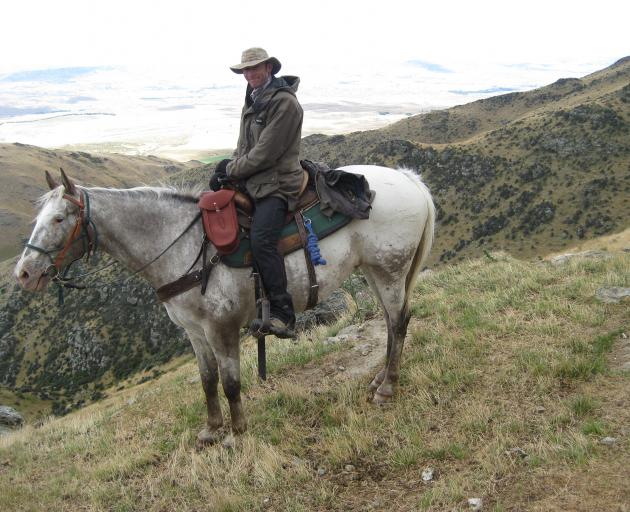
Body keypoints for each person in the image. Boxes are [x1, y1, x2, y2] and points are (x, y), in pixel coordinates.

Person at [210, 47, 303, 338]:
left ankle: (283, 313)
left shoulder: (284, 103)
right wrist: (228, 168)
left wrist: (232, 170)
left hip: (278, 183)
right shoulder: (253, 99)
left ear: (269, 68)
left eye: (255, 69)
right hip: (253, 179)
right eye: (246, 70)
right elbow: (244, 147)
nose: (249, 74)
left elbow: (265, 153)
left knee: (262, 240)